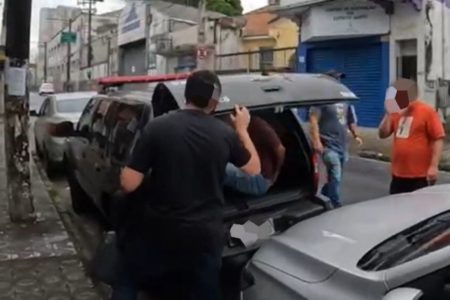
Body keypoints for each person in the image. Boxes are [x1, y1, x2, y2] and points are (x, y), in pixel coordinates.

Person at [114, 70, 261, 300]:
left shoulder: (157, 127)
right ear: (214, 102)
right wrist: (242, 129)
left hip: (161, 232)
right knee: (205, 292)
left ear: (186, 96)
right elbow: (254, 169)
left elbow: (130, 185)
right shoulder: (225, 134)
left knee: (126, 279)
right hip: (205, 236)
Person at [378, 80, 445, 194]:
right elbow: (382, 134)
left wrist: (433, 166)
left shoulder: (426, 111)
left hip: (419, 176)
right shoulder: (395, 111)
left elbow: (438, 138)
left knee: (419, 209)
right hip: (398, 174)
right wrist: (388, 113)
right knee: (395, 207)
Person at [309, 70, 362, 208]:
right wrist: (316, 141)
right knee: (335, 174)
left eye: (339, 79)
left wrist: (356, 135)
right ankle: (335, 205)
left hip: (342, 146)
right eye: (336, 79)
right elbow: (313, 120)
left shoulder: (345, 100)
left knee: (335, 178)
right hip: (328, 146)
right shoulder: (321, 100)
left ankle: (324, 195)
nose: (338, 82)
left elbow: (351, 120)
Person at [223, 116, 285, 196]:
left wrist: (275, 175)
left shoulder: (259, 125)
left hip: (260, 179)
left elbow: (280, 149)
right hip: (250, 172)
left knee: (215, 166)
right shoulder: (228, 123)